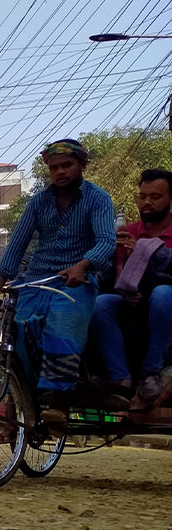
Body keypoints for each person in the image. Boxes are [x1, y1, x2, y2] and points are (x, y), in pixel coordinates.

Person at [0, 139, 116, 432]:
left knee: (61, 325)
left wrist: (83, 266)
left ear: (82, 165)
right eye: (54, 167)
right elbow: (18, 242)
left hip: (77, 281)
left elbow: (107, 242)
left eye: (67, 165)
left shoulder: (98, 199)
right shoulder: (38, 201)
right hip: (36, 280)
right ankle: (25, 406)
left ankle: (59, 402)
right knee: (16, 332)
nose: (60, 172)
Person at [91, 168, 172, 410]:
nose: (147, 202)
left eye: (155, 197)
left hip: (165, 305)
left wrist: (145, 253)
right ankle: (120, 377)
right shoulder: (129, 230)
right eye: (143, 196)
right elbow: (112, 275)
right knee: (100, 304)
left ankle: (151, 372)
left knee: (162, 294)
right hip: (131, 303)